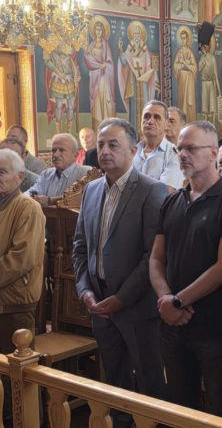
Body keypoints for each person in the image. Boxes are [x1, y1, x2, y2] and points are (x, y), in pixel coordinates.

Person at [149, 121, 222, 417]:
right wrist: (166, 299)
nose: (183, 154)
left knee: (219, 407)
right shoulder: (172, 200)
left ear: (213, 153)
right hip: (172, 324)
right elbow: (156, 259)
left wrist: (178, 302)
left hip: (213, 326)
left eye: (191, 148)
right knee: (181, 407)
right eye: (180, 149)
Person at [73, 118, 168, 426]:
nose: (105, 151)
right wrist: (85, 290)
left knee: (150, 383)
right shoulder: (91, 190)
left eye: (113, 145)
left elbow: (153, 255)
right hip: (99, 304)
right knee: (115, 382)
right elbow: (80, 246)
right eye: (101, 145)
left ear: (133, 150)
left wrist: (121, 299)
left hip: (136, 307)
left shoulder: (151, 191)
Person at [0, 149, 45, 425]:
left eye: (2, 172)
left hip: (14, 304)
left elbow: (21, 259)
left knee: (19, 379)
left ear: (20, 177)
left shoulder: (27, 208)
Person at [26, 134, 91, 206]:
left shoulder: (86, 173)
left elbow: (83, 198)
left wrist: (50, 200)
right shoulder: (46, 174)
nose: (55, 155)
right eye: (53, 150)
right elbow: (31, 192)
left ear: (75, 155)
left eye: (62, 150)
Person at [133, 100, 184, 191]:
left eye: (157, 117)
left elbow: (165, 192)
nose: (150, 121)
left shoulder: (173, 154)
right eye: (146, 116)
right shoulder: (131, 152)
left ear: (166, 124)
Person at [84, 19, 116, 131]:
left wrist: (105, 65)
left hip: (104, 77)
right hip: (94, 77)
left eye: (100, 30)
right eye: (96, 30)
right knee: (97, 101)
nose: (98, 32)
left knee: (106, 100)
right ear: (94, 31)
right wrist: (98, 65)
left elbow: (110, 63)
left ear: (103, 31)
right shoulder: (91, 45)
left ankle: (108, 128)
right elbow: (87, 60)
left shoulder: (106, 45)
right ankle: (97, 129)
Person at [173, 28, 198, 123]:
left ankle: (190, 121)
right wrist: (182, 65)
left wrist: (185, 65)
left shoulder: (190, 52)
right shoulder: (179, 52)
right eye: (182, 38)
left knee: (189, 102)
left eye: (185, 38)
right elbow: (175, 66)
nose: (183, 40)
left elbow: (194, 67)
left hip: (189, 79)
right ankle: (182, 122)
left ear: (187, 39)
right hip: (182, 79)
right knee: (182, 100)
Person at [198, 43, 220, 124]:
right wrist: (202, 64)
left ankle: (213, 123)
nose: (202, 51)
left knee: (212, 104)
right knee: (205, 103)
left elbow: (215, 74)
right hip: (204, 82)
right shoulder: (202, 58)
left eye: (203, 49)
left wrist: (219, 91)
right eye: (201, 49)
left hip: (212, 83)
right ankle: (205, 122)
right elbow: (198, 70)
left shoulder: (212, 58)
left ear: (206, 48)